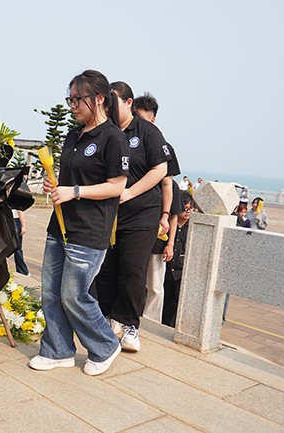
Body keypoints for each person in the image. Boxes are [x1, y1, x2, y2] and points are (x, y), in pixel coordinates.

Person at [28, 69, 128, 376]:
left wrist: (75, 191)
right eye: (69, 100)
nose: (72, 106)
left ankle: (106, 345)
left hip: (89, 230)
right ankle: (57, 350)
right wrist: (56, 186)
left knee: (74, 295)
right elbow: (71, 179)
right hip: (59, 226)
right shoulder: (74, 134)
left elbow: (117, 186)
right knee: (50, 291)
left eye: (77, 100)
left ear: (98, 98)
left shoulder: (113, 138)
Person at [93, 81, 168, 353]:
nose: (108, 107)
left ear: (128, 103)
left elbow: (160, 171)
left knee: (132, 268)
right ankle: (109, 319)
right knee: (106, 268)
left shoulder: (147, 132)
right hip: (110, 213)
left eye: (113, 101)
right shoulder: (106, 132)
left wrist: (130, 192)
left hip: (141, 213)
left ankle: (129, 324)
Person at [134, 92, 183, 323]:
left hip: (156, 229)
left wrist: (169, 236)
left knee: (154, 283)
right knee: (132, 276)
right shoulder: (126, 141)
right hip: (132, 220)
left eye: (142, 119)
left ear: (152, 120)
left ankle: (151, 322)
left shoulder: (164, 147)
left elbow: (168, 189)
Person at [162, 193, 195, 327]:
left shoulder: (193, 227)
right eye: (185, 208)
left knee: (177, 302)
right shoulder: (169, 224)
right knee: (164, 299)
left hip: (181, 271)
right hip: (166, 267)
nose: (188, 211)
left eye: (191, 208)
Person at [11, 208, 30, 276]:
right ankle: (22, 270)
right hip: (15, 220)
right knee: (18, 248)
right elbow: (20, 211)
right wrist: (23, 226)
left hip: (5, 219)